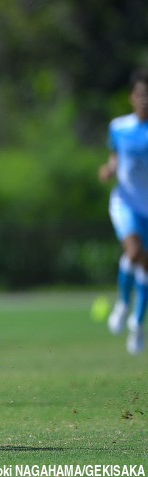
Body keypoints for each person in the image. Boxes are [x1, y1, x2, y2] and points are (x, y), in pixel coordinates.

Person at [99, 68, 148, 355]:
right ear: (132, 97)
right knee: (133, 252)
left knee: (145, 266)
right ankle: (122, 303)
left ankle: (137, 324)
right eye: (141, 95)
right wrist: (109, 169)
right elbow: (116, 159)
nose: (145, 101)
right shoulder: (119, 127)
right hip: (125, 202)